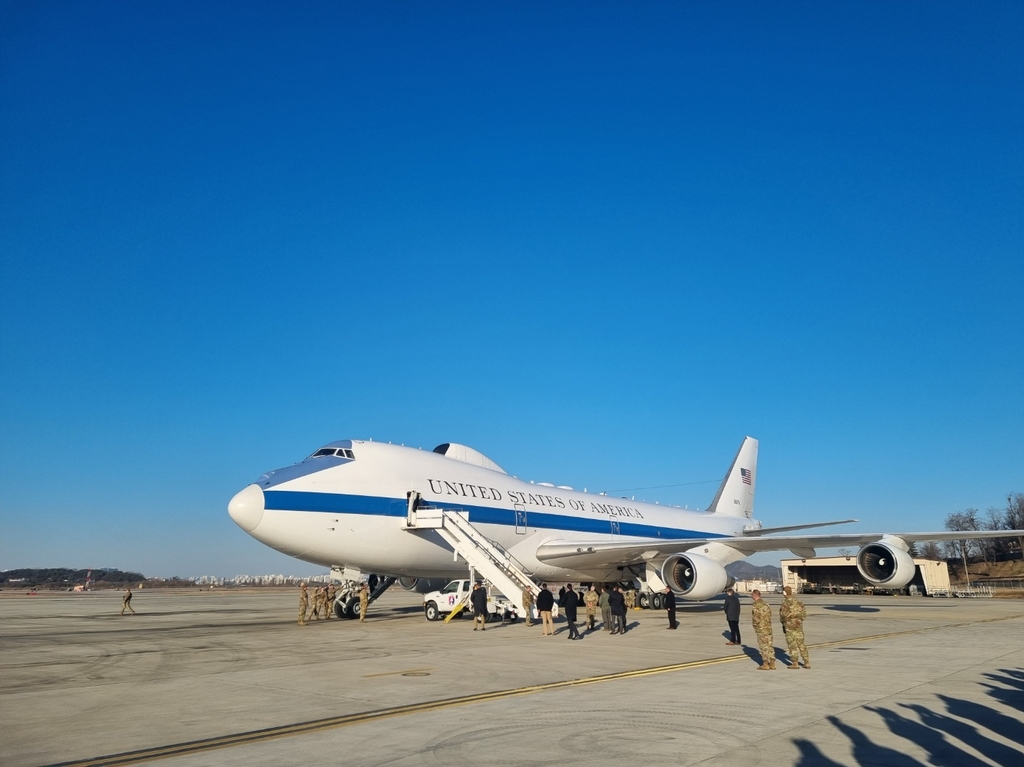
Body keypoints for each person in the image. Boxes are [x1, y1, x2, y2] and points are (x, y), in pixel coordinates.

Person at [779, 586, 810, 669]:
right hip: (798, 625)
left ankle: (795, 663)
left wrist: (783, 623)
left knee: (792, 645)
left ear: (785, 593)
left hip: (789, 626)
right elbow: (804, 614)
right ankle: (806, 662)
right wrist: (799, 620)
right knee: (801, 644)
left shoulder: (785, 602)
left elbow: (782, 615)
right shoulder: (798, 601)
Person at [751, 589, 775, 670]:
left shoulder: (756, 605)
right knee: (770, 645)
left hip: (761, 629)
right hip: (768, 628)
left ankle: (765, 663)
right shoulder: (766, 604)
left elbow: (756, 618)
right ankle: (772, 662)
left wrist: (755, 627)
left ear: (754, 595)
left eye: (752, 595)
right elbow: (769, 615)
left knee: (763, 646)